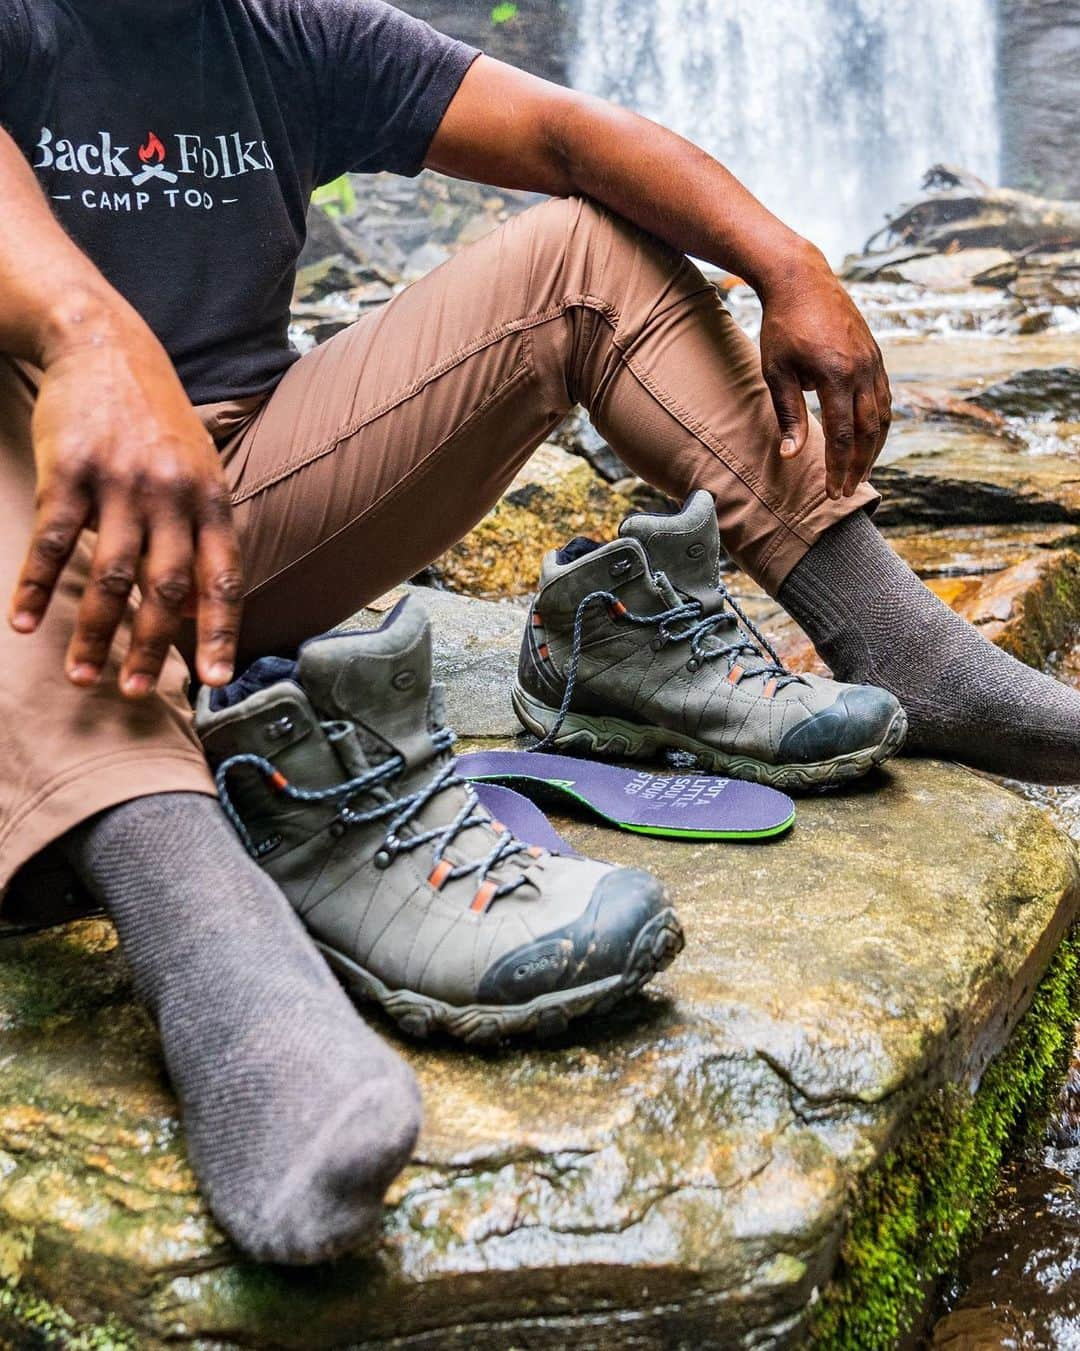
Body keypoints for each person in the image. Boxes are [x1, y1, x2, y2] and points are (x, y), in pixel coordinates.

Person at [3, 0, 1079, 1266]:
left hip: (247, 503)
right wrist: (83, 335)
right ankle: (210, 953)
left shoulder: (281, 32)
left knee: (585, 246)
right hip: (42, 505)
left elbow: (570, 133)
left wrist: (786, 260)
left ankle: (903, 643)